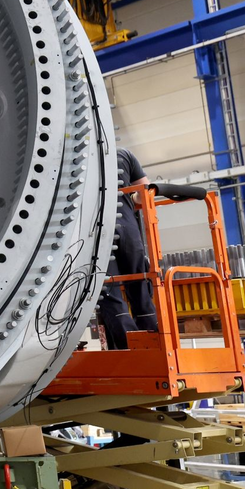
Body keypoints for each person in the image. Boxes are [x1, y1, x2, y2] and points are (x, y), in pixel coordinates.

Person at [99, 147, 158, 349]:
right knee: (141, 287)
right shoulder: (123, 154)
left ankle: (130, 349)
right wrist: (131, 200)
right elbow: (146, 193)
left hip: (100, 233)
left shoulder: (75, 157)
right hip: (130, 232)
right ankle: (153, 342)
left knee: (110, 291)